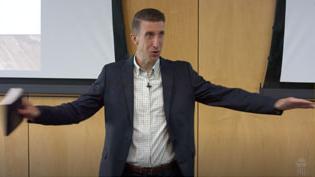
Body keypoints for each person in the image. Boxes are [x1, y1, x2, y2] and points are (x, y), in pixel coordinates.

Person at [19, 8, 315, 177]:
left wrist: (275, 102)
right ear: (135, 37)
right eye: (150, 34)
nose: (157, 41)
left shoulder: (181, 73)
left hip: (170, 172)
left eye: (161, 34)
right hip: (124, 172)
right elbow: (77, 110)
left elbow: (225, 95)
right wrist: (38, 112)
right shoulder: (112, 74)